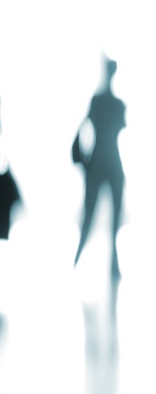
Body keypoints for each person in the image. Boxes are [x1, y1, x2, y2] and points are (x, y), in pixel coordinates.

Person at [73, 56, 126, 278]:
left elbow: (86, 126)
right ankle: (78, 261)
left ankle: (81, 261)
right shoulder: (115, 105)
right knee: (97, 216)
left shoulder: (101, 102)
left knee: (95, 215)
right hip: (110, 163)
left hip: (100, 164)